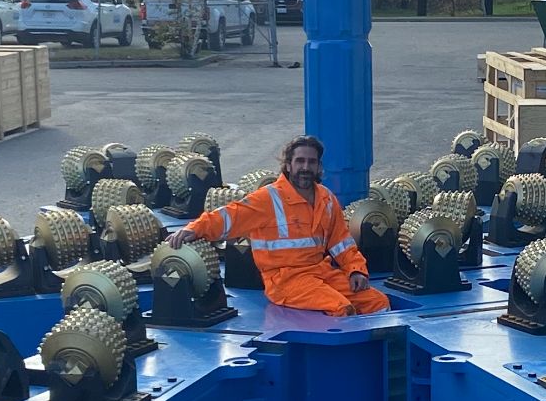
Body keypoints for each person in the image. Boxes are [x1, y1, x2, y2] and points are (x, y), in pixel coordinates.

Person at [167, 135, 390, 316]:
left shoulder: (326, 199)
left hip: (320, 273)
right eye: (299, 161)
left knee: (377, 302)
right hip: (285, 281)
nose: (305, 167)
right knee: (340, 307)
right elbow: (229, 217)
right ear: (288, 165)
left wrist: (356, 270)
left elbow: (342, 243)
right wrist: (192, 229)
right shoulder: (268, 198)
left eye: (311, 162)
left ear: (319, 166)